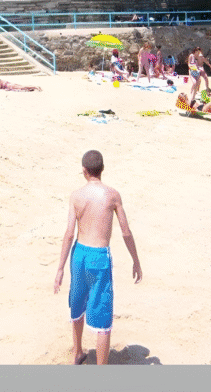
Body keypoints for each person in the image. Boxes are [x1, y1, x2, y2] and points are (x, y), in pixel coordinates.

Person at [53, 150, 142, 365]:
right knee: (102, 315)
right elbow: (126, 231)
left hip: (79, 254)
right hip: (99, 257)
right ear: (102, 169)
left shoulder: (76, 195)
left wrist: (60, 268)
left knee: (77, 302)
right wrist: (136, 260)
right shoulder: (112, 195)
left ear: (84, 171)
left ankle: (78, 353)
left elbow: (68, 234)